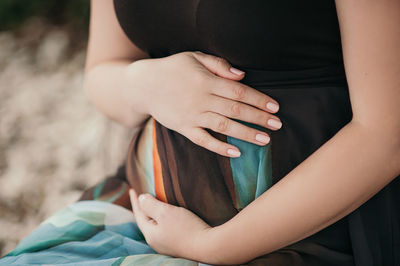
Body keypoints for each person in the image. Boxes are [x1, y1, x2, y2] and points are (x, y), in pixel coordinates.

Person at [1, 0, 399, 265]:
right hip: (139, 216)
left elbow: (387, 134)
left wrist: (212, 247)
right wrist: (144, 83)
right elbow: (102, 69)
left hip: (314, 236)